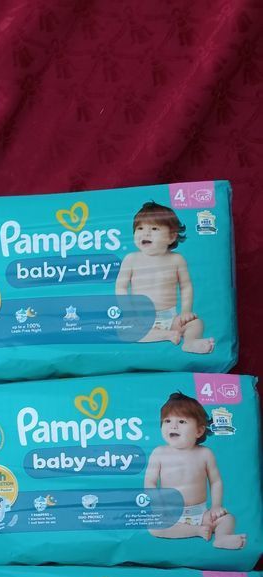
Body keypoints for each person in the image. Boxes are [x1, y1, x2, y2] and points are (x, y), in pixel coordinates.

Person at [144, 391, 245, 549]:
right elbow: (150, 481)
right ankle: (196, 531)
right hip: (171, 513)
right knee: (154, 527)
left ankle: (222, 538)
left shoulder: (205, 453)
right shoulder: (159, 453)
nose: (173, 426)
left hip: (201, 513)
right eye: (167, 420)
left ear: (199, 431)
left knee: (228, 519)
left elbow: (216, 481)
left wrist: (216, 506)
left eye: (182, 421)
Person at [115, 201, 213, 354]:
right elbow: (121, 286)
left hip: (170, 317)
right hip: (141, 317)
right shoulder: (131, 259)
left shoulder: (176, 259)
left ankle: (190, 342)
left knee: (196, 323)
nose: (145, 233)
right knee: (124, 330)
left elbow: (186, 286)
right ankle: (167, 335)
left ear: (171, 237)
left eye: (154, 228)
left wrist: (185, 312)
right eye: (140, 228)